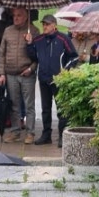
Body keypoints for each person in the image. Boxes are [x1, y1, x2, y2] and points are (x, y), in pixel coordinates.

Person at [28, 13, 77, 146]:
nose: (45, 26)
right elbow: (33, 56)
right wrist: (29, 44)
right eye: (43, 24)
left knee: (61, 109)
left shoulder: (63, 39)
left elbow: (74, 57)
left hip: (58, 79)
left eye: (47, 24)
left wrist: (65, 70)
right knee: (45, 108)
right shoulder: (38, 40)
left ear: (54, 25)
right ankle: (46, 135)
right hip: (43, 78)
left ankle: (62, 135)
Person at [0, 6, 38, 143]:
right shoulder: (8, 31)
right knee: (14, 105)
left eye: (19, 15)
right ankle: (15, 131)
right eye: (14, 15)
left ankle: (30, 133)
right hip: (11, 74)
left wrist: (31, 69)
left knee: (29, 105)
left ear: (26, 17)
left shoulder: (33, 31)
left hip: (27, 74)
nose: (15, 18)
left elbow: (38, 55)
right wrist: (1, 73)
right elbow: (2, 53)